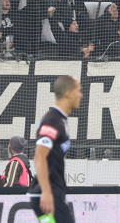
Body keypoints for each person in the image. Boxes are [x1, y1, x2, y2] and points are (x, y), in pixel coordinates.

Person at [30, 75, 82, 223]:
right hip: (47, 195)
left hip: (50, 193)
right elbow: (40, 155)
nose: (81, 95)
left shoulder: (60, 120)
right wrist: (46, 192)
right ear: (68, 94)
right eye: (78, 91)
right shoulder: (53, 120)